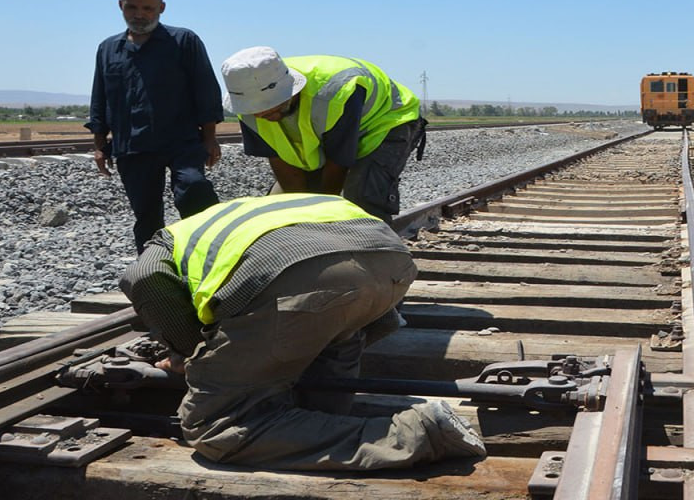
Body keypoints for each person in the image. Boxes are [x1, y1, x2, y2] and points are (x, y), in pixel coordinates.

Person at [119, 193, 486, 469]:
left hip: (306, 284)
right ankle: (324, 416)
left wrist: (190, 354)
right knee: (319, 384)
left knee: (217, 426)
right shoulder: (235, 216)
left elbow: (143, 276)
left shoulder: (164, 244)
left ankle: (421, 432)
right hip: (391, 263)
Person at [87, 0, 222, 253]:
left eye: (148, 8)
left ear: (161, 8)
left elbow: (206, 90)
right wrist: (100, 145)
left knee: (194, 190)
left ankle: (209, 257)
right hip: (132, 145)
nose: (139, 14)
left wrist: (210, 138)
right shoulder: (108, 49)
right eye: (132, 7)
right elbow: (99, 97)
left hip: (181, 140)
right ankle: (154, 270)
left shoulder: (184, 41)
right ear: (120, 6)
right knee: (146, 216)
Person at [220, 46, 425, 223]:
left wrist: (321, 218)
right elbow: (279, 160)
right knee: (281, 207)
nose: (259, 114)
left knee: (361, 197)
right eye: (254, 109)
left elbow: (337, 164)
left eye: (268, 106)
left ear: (290, 91)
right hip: (330, 132)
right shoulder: (246, 102)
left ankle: (374, 251)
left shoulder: (336, 93)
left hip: (386, 120)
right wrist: (298, 212)